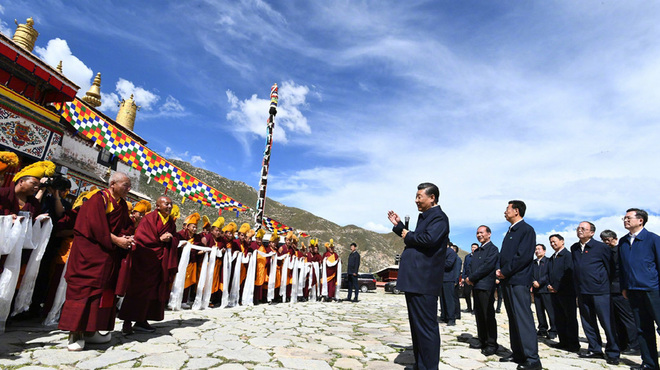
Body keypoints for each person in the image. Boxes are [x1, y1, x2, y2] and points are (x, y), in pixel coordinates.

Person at [58, 172, 133, 351]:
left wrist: (128, 237)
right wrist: (116, 240)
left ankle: (91, 331)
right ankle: (75, 333)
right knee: (84, 291)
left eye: (129, 186)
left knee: (103, 293)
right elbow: (92, 227)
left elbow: (125, 226)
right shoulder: (97, 199)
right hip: (90, 254)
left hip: (108, 256)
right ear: (113, 184)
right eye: (126, 185)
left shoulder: (121, 205)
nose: (128, 189)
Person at [388, 182, 449, 370]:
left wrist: (406, 234)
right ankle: (420, 363)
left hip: (424, 280)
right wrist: (399, 227)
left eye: (419, 196)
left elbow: (427, 240)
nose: (416, 200)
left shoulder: (439, 218)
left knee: (426, 327)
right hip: (415, 280)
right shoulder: (425, 217)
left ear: (432, 198)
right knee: (417, 327)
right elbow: (414, 238)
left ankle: (430, 367)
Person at [119, 196, 178, 335]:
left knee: (153, 291)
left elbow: (175, 238)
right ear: (158, 206)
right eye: (166, 204)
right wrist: (160, 239)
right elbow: (141, 237)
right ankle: (127, 322)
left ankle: (142, 320)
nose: (169, 207)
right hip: (145, 260)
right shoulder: (149, 219)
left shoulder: (171, 222)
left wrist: (171, 239)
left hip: (160, 262)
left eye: (171, 204)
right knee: (137, 290)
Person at [496, 200, 541, 370]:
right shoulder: (510, 231)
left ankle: (532, 358)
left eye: (507, 209)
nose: (505, 212)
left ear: (516, 211)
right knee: (513, 318)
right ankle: (518, 353)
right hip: (508, 280)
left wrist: (504, 271)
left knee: (523, 318)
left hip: (519, 280)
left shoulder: (526, 230)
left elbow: (522, 257)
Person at [571, 221, 619, 364]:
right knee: (588, 322)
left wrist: (601, 281)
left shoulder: (601, 247)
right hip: (582, 290)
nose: (580, 231)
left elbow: (610, 267)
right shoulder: (574, 248)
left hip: (600, 291)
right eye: (578, 228)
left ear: (591, 232)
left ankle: (613, 352)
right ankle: (594, 349)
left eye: (583, 229)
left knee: (607, 322)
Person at [618, 208, 660, 370]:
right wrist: (624, 287)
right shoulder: (623, 241)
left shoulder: (653, 239)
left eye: (628, 218)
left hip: (653, 290)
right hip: (633, 291)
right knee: (643, 329)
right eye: (624, 218)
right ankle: (649, 364)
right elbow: (621, 267)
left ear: (640, 220)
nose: (625, 220)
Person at [600, 229, 639, 355]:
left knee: (628, 318)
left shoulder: (620, 251)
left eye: (608, 240)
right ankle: (622, 343)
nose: (606, 242)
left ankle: (634, 345)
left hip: (619, 289)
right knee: (616, 320)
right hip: (610, 290)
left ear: (615, 239)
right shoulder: (606, 252)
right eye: (604, 240)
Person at [465, 225, 499, 356]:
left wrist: (471, 277)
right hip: (476, 285)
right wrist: (470, 278)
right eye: (477, 233)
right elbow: (472, 266)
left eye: (481, 233)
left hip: (486, 286)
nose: (479, 235)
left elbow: (487, 266)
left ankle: (491, 343)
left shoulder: (493, 249)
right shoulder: (477, 251)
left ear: (489, 234)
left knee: (487, 315)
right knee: (479, 314)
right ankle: (482, 339)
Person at [546, 234, 580, 353]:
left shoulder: (568, 256)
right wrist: (549, 285)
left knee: (569, 318)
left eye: (554, 241)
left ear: (562, 241)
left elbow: (568, 274)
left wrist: (557, 287)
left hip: (566, 292)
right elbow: (548, 274)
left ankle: (573, 344)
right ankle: (563, 341)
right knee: (559, 318)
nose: (552, 244)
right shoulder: (552, 258)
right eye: (550, 242)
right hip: (553, 293)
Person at [531, 244, 556, 340]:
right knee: (539, 311)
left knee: (550, 311)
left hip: (546, 290)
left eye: (539, 249)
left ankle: (553, 330)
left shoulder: (549, 261)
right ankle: (542, 329)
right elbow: (531, 274)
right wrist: (533, 281)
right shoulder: (533, 263)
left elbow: (549, 274)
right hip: (536, 290)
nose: (537, 251)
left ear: (544, 251)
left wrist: (540, 282)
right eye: (535, 249)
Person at [440, 244, 458, 326]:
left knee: (449, 300)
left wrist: (437, 263)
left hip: (448, 279)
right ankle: (444, 316)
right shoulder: (441, 251)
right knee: (442, 299)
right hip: (440, 279)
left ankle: (451, 318)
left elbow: (448, 264)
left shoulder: (451, 252)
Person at [462, 243, 477, 313]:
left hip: (475, 278)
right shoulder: (467, 256)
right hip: (467, 278)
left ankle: (475, 309)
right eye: (472, 247)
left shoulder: (478, 256)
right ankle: (469, 307)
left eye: (475, 247)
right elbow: (465, 267)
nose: (473, 248)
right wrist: (463, 277)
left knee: (475, 294)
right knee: (466, 293)